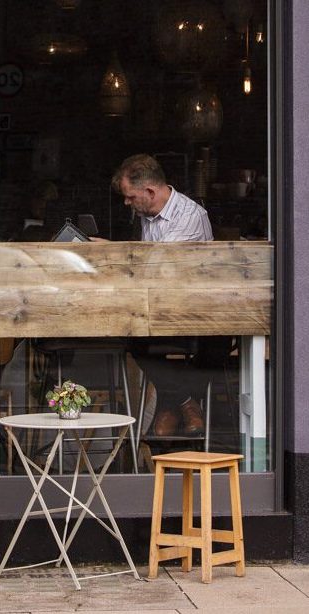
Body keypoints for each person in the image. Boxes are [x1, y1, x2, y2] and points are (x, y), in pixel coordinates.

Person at [111, 154, 214, 438]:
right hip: (159, 309)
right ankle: (185, 404)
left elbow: (158, 266)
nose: (126, 202)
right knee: (129, 337)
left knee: (139, 339)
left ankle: (175, 404)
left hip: (195, 313)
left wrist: (116, 253)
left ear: (150, 192)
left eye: (131, 197)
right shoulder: (146, 216)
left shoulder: (191, 216)